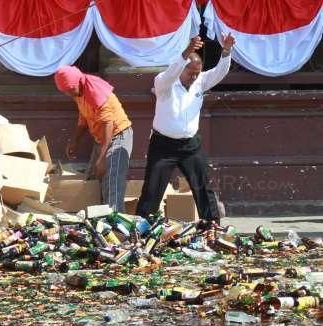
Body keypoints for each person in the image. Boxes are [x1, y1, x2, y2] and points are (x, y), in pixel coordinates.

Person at [136, 34, 236, 222]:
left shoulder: (200, 81)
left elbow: (219, 72)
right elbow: (171, 71)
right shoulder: (164, 83)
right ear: (181, 68)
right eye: (191, 72)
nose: (195, 77)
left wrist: (227, 50)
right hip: (163, 146)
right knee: (152, 188)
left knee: (203, 187)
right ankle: (142, 229)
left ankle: (211, 227)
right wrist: (186, 52)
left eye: (198, 73)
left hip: (190, 146)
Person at [55, 65, 133, 212]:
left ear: (77, 82)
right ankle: (97, 221)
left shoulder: (93, 90)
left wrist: (102, 158)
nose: (69, 94)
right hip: (102, 138)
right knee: (92, 181)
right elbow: (84, 117)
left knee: (112, 182)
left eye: (70, 90)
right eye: (66, 92)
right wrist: (74, 140)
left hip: (118, 136)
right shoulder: (78, 92)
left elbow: (108, 123)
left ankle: (117, 227)